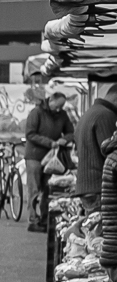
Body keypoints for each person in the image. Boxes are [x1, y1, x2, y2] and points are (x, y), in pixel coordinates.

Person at [22, 82, 74, 232]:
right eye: (56, 106)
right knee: (34, 189)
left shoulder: (62, 115)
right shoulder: (36, 113)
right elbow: (30, 134)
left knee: (48, 189)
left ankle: (45, 218)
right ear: (50, 100)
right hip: (34, 157)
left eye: (61, 107)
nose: (58, 109)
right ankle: (33, 220)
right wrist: (50, 143)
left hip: (52, 159)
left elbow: (71, 132)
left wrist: (66, 139)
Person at [74, 82, 117, 211]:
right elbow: (111, 154)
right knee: (101, 229)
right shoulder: (106, 116)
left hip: (87, 187)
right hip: (99, 188)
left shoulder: (89, 113)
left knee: (93, 228)